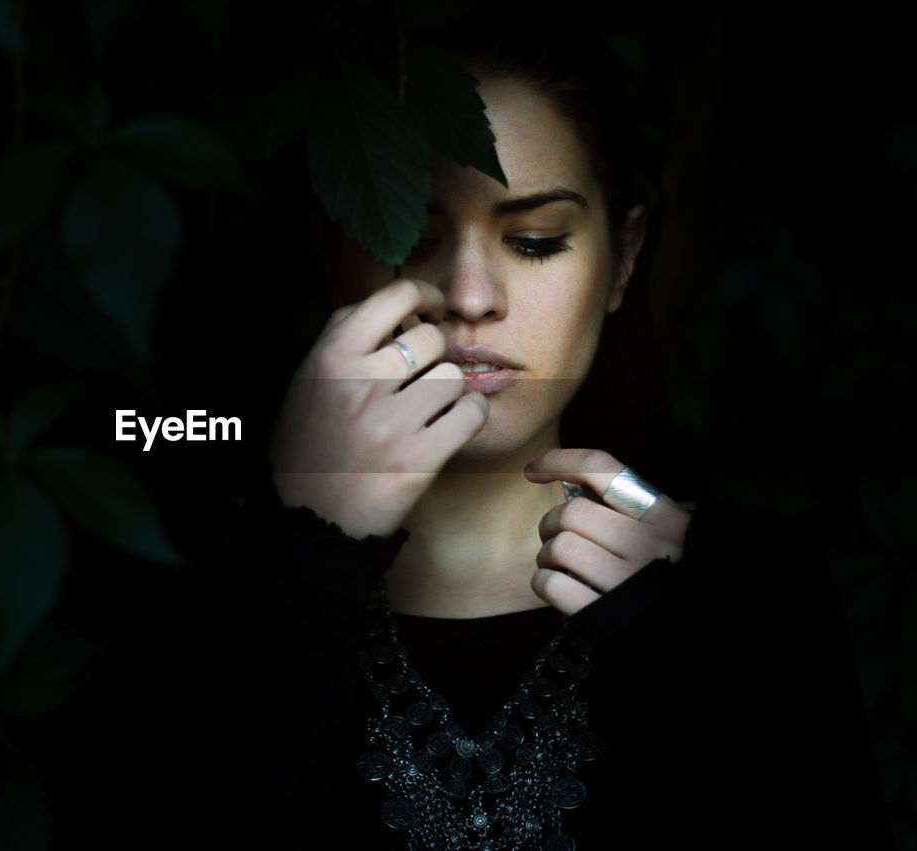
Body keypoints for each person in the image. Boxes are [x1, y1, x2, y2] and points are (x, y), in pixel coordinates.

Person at [100, 16, 895, 851]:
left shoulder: (756, 584)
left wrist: (687, 661)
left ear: (622, 260)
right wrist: (302, 552)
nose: (471, 295)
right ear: (334, 247)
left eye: (534, 240)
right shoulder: (182, 567)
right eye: (412, 233)